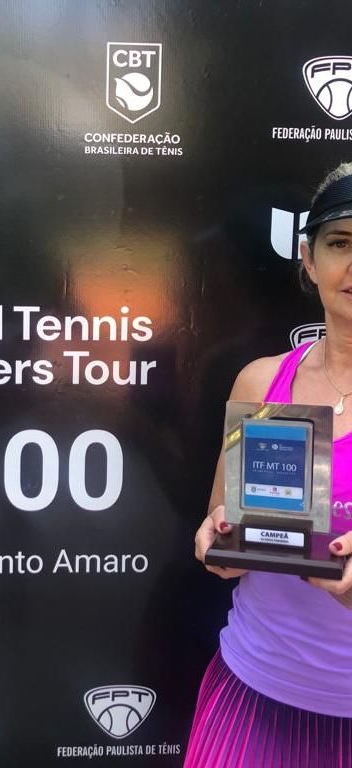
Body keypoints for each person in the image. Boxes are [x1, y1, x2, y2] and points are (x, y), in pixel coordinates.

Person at [186, 162, 352, 768]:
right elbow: (225, 521)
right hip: (255, 695)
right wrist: (220, 542)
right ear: (308, 259)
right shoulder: (262, 383)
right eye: (341, 243)